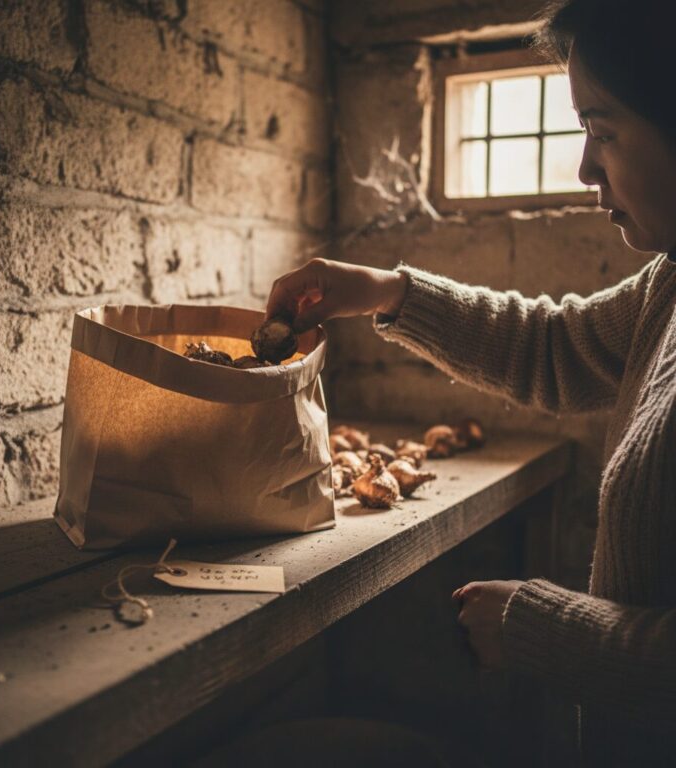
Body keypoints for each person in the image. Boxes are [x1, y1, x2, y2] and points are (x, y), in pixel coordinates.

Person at [264, 0, 676, 764]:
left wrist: (537, 628)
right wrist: (386, 293)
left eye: (605, 130)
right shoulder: (669, 286)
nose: (587, 167)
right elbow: (556, 345)